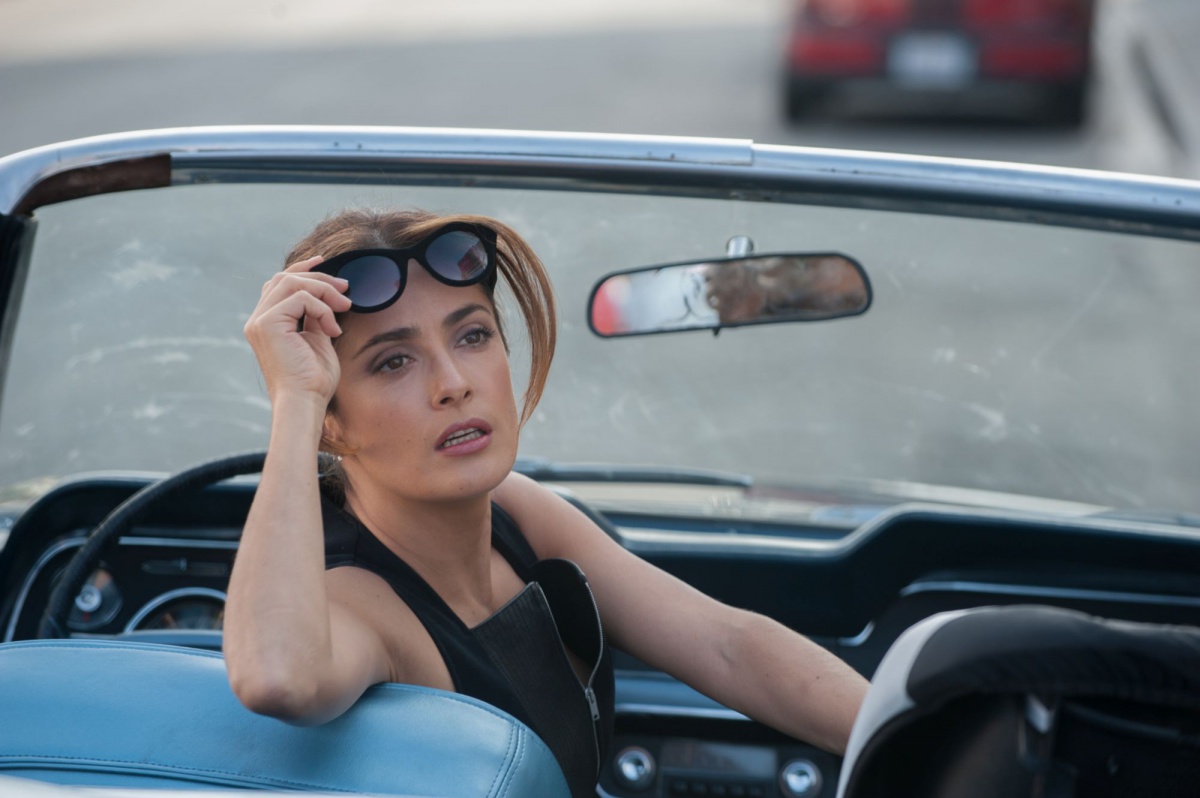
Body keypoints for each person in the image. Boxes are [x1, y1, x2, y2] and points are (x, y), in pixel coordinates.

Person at [224, 208, 868, 797]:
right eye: (394, 362)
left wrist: (902, 727)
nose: (453, 384)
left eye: (472, 335)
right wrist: (296, 401)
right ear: (332, 420)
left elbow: (726, 645)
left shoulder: (518, 512)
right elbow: (278, 679)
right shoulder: (359, 602)